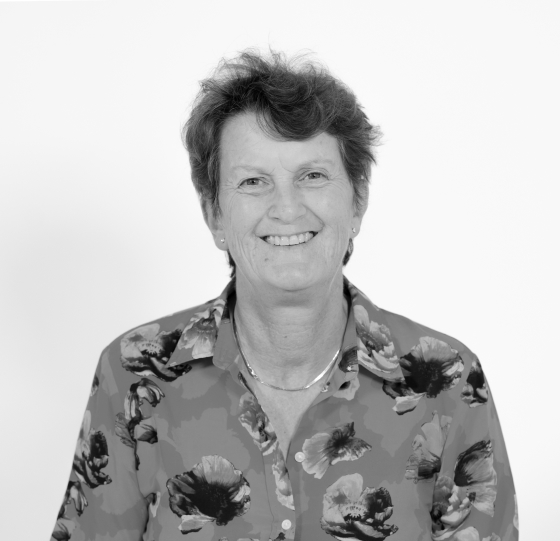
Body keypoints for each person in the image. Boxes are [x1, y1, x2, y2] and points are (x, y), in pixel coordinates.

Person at [51, 49, 518, 541]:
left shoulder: (447, 383)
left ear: (358, 200)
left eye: (312, 176)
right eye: (253, 181)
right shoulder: (134, 374)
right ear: (214, 214)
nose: (287, 209)